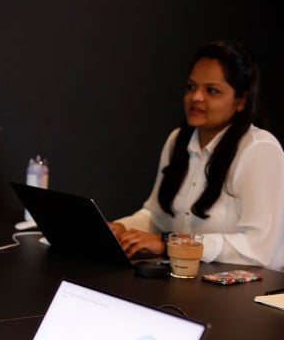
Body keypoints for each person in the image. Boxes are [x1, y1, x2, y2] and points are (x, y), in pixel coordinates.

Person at [109, 40, 284, 270]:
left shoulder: (259, 149)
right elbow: (157, 217)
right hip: (185, 280)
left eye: (212, 91)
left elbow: (258, 248)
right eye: (191, 87)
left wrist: (170, 244)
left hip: (245, 294)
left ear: (241, 101)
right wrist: (118, 228)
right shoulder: (177, 139)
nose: (196, 97)